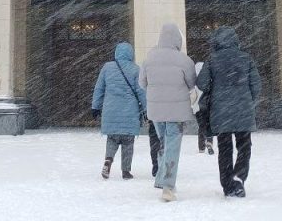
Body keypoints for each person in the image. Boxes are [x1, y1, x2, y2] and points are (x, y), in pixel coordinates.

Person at [196, 26, 261, 198]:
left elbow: (202, 83)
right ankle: (239, 178)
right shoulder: (246, 58)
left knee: (225, 149)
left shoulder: (212, 59)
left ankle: (227, 184)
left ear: (217, 41)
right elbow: (256, 85)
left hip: (221, 111)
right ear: (235, 40)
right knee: (244, 146)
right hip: (243, 110)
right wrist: (247, 100)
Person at [138, 23, 196, 202]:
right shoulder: (184, 60)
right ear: (177, 39)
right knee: (172, 146)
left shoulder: (149, 59)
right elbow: (192, 83)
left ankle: (161, 179)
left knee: (164, 143)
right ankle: (168, 186)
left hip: (156, 111)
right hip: (177, 112)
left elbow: (142, 83)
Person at [91, 42, 147, 180]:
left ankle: (108, 160)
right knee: (128, 143)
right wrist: (147, 110)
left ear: (116, 53)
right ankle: (126, 171)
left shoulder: (107, 68)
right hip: (130, 113)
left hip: (111, 111)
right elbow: (141, 92)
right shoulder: (136, 69)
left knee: (112, 139)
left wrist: (95, 107)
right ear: (131, 54)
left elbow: (99, 88)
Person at [191, 61, 214, 155]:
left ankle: (201, 147)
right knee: (209, 125)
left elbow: (192, 97)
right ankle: (209, 142)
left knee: (201, 127)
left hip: (198, 108)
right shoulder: (210, 82)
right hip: (209, 107)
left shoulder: (194, 84)